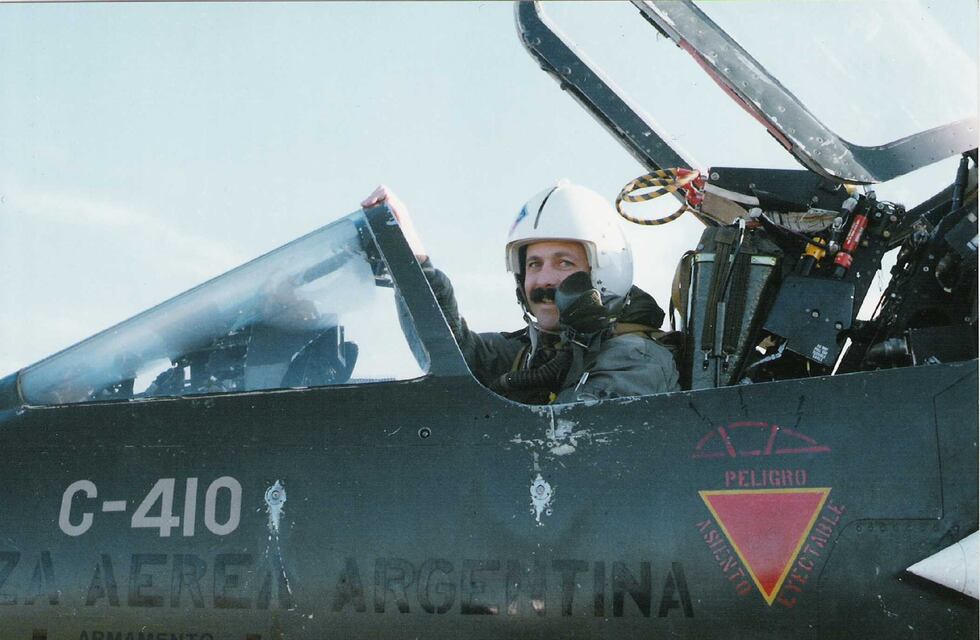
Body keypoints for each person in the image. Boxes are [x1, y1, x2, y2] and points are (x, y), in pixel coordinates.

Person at [361, 180, 680, 404]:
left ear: (604, 271)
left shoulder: (634, 359)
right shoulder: (531, 353)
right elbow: (451, 352)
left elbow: (569, 447)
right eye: (534, 265)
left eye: (564, 263)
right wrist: (410, 257)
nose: (545, 280)